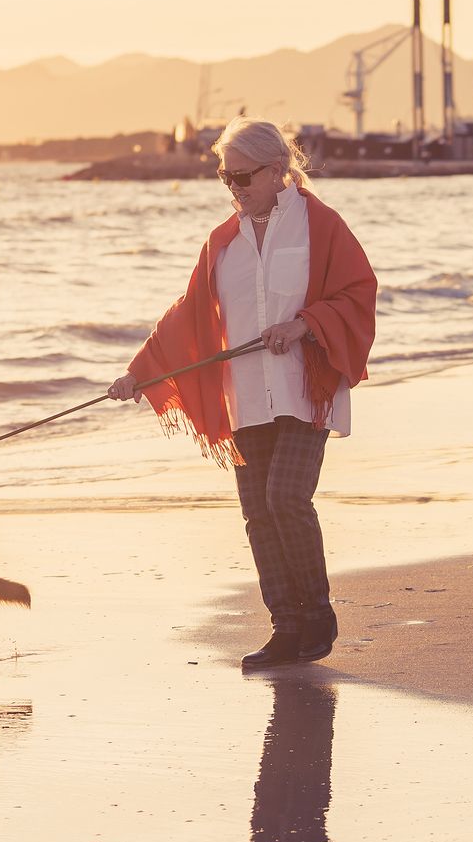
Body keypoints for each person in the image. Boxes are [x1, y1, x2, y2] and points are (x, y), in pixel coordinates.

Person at [108, 116, 377, 669]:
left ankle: (317, 616)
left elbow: (357, 292)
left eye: (243, 177)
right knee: (258, 511)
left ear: (277, 171)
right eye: (225, 177)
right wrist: (139, 373)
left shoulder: (320, 225)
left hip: (304, 389)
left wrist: (302, 325)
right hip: (247, 394)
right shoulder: (222, 242)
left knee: (286, 498)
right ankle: (285, 627)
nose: (233, 188)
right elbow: (188, 313)